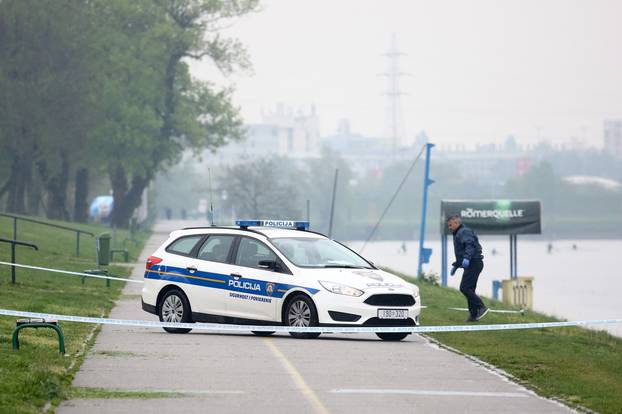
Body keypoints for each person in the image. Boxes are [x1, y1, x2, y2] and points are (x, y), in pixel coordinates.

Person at [447, 215, 488, 322]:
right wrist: (456, 264)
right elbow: (462, 251)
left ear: (457, 223)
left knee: (464, 288)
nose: (449, 228)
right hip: (472, 263)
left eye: (451, 225)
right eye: (449, 226)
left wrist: (467, 258)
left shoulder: (463, 232)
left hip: (474, 262)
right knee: (470, 289)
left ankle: (481, 307)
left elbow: (470, 245)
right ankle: (473, 316)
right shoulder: (458, 233)